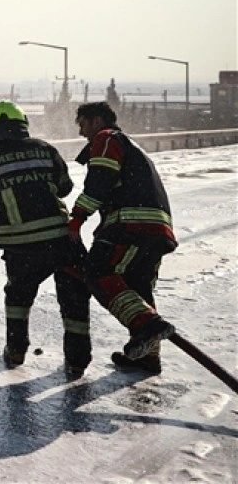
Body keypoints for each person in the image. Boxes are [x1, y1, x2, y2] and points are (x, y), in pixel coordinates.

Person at [0, 101, 90, 379]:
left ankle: (16, 350)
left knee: (18, 296)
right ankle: (77, 361)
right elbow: (65, 188)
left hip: (22, 245)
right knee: (74, 297)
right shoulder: (45, 149)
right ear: (23, 125)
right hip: (62, 239)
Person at [70, 101, 176, 375]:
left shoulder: (106, 138)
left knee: (98, 272)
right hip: (156, 229)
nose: (81, 133)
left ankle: (147, 326)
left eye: (83, 124)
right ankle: (147, 357)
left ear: (97, 120)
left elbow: (99, 183)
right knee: (138, 287)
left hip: (131, 226)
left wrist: (76, 219)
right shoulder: (132, 146)